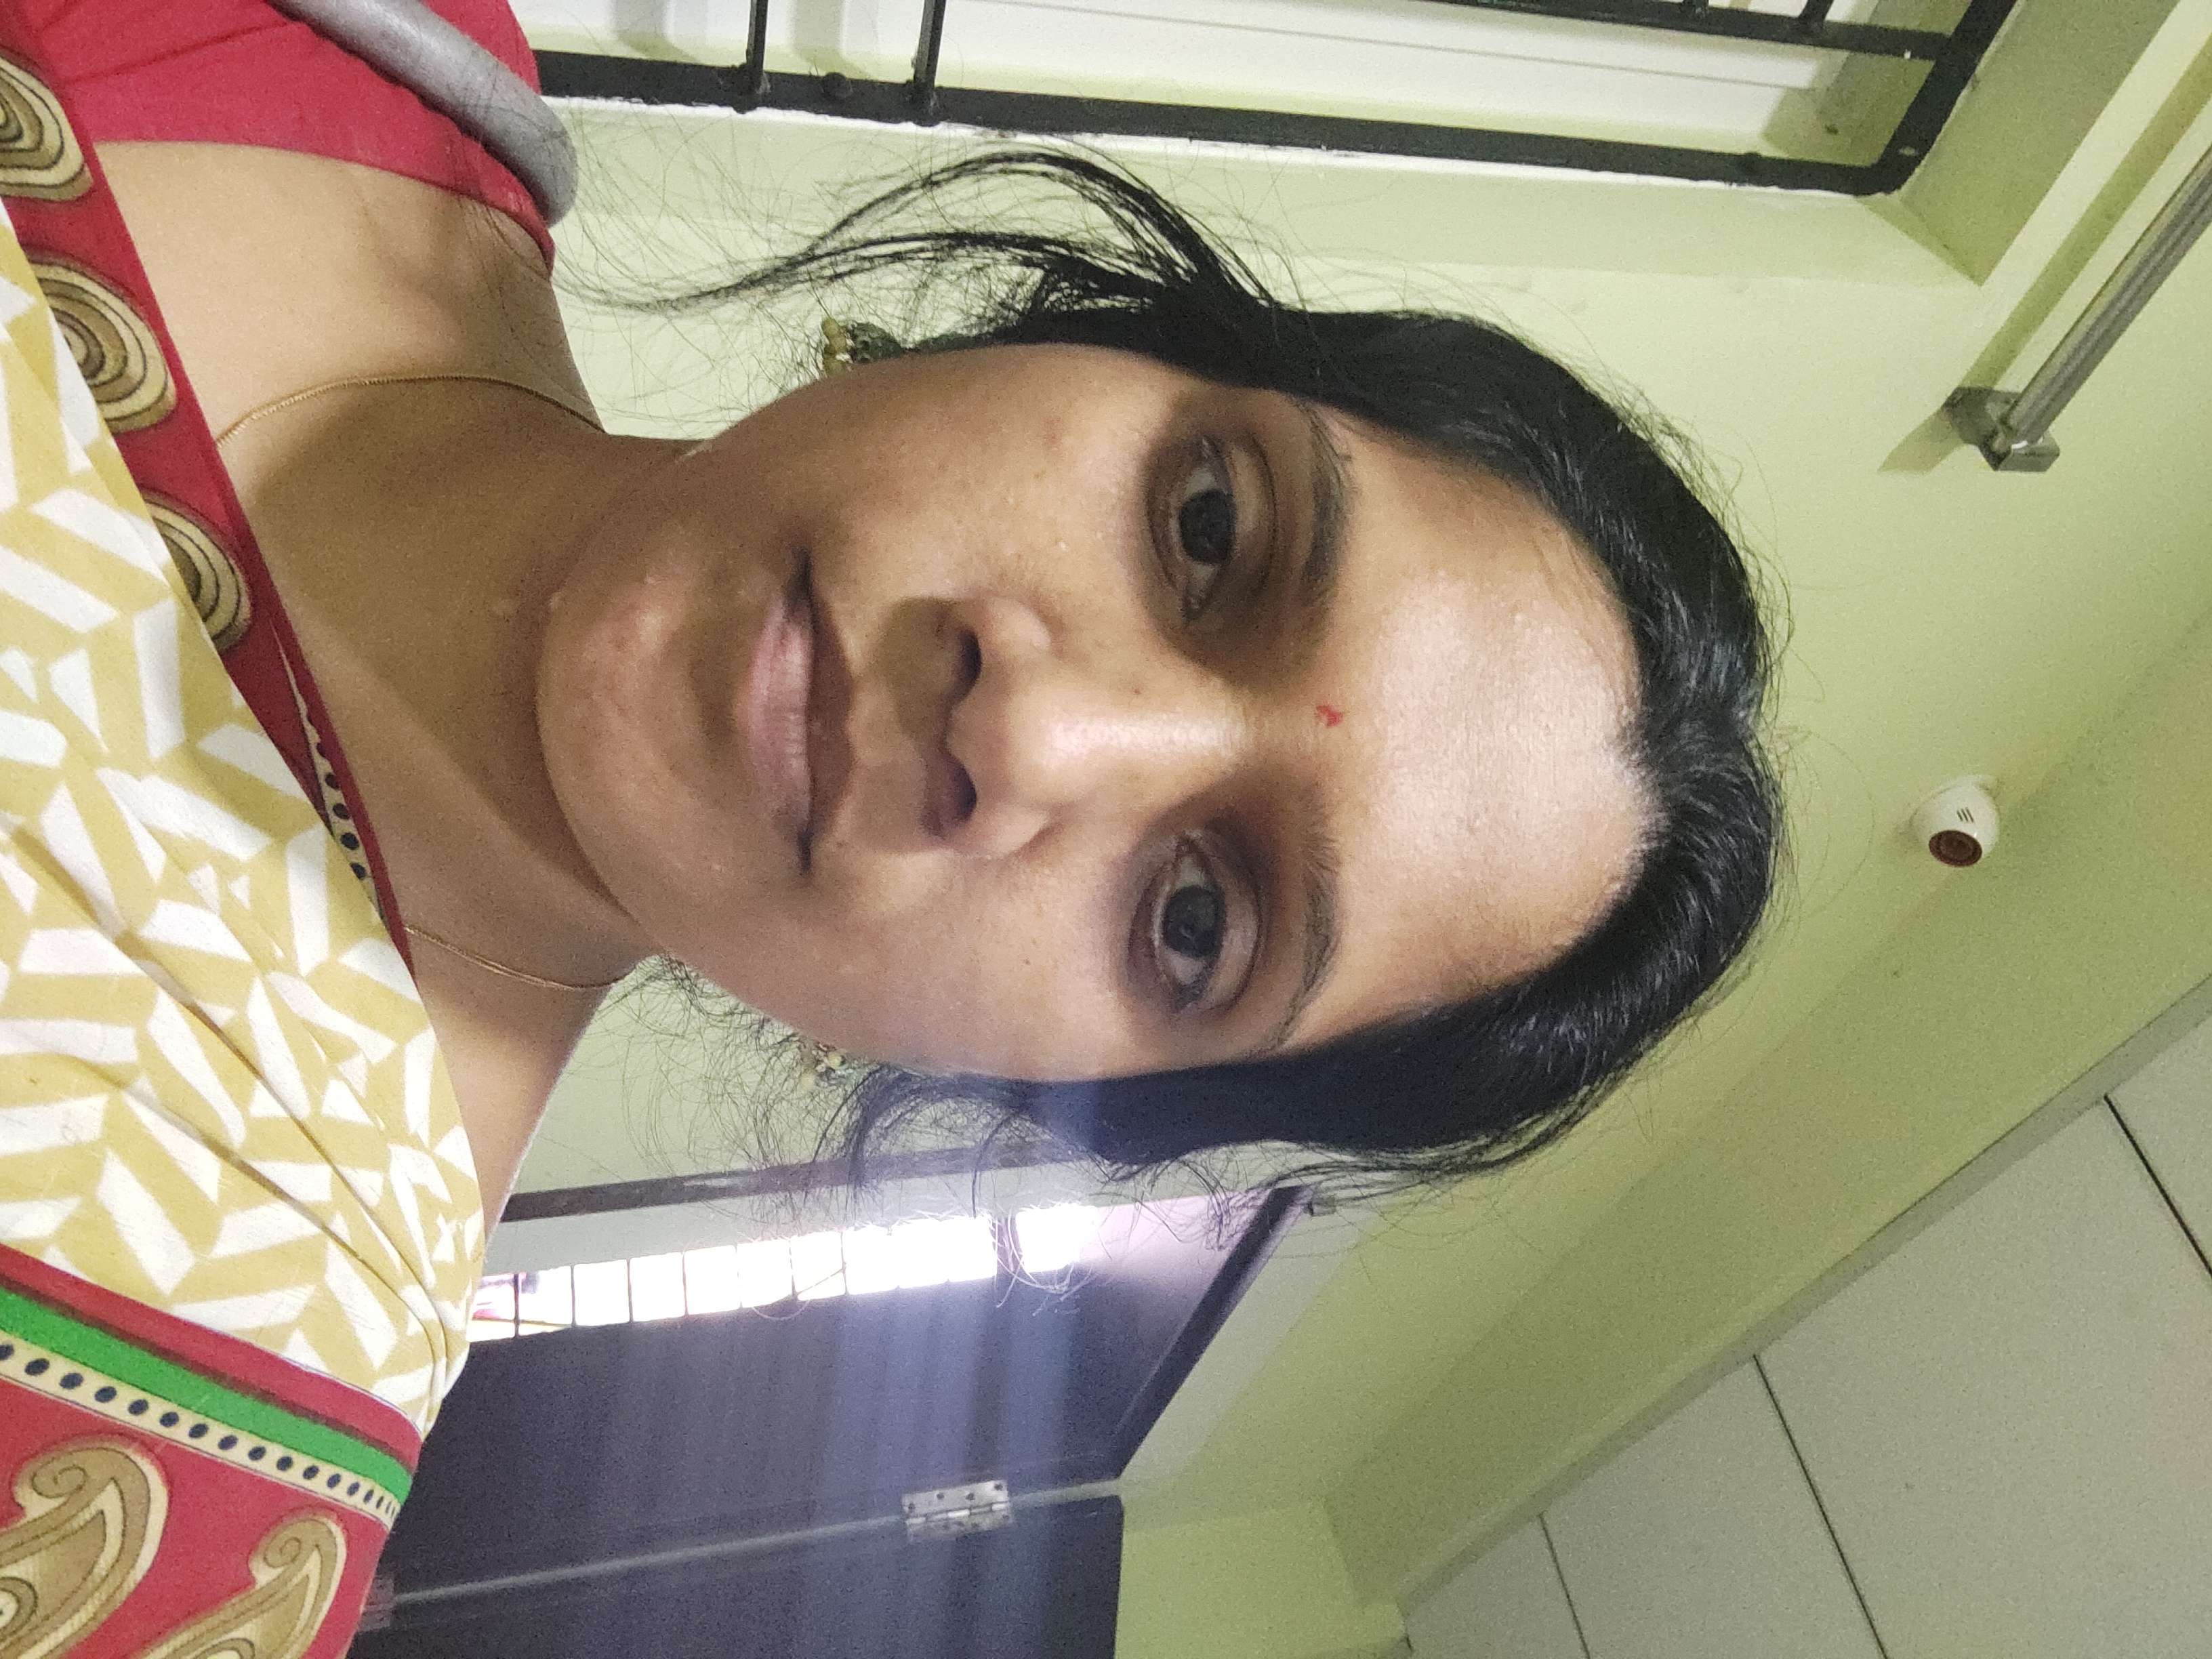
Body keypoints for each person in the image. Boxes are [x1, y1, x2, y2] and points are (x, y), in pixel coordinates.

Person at [0, 0, 1778, 1647]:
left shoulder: (172, 1470)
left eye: (1195, 922)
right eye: (1210, 528)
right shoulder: (383, 51)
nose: (1033, 729)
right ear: (1077, 334)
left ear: (1046, 1089)